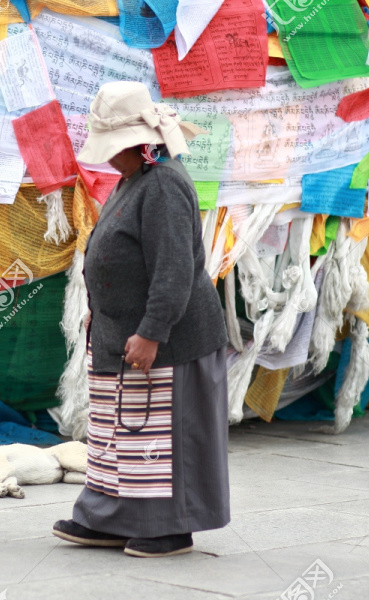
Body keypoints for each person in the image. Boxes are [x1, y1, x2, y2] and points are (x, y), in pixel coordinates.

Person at [52, 81, 230, 558]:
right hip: (121, 340)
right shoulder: (136, 179)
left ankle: (170, 527)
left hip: (172, 343)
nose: (107, 158)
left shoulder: (165, 186)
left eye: (113, 149)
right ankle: (112, 519)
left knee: (164, 440)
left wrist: (151, 332)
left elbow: (174, 271)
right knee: (122, 438)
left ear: (135, 142)